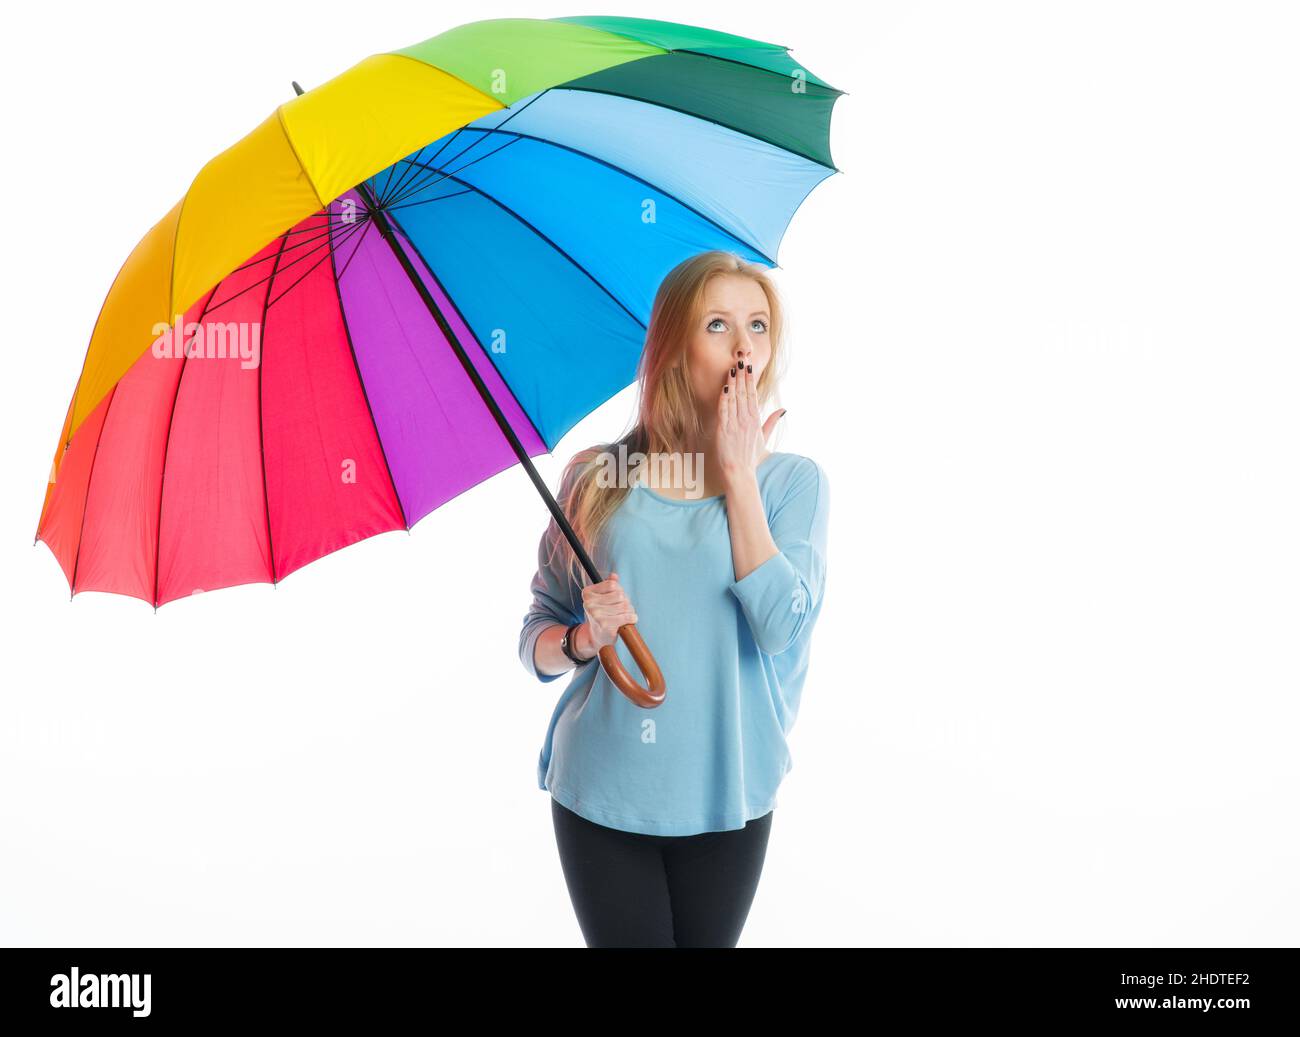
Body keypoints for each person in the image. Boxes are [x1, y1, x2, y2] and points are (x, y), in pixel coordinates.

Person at [517, 250, 831, 947]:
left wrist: (739, 478)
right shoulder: (597, 478)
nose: (744, 345)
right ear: (672, 348)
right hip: (602, 792)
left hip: (729, 796)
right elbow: (537, 635)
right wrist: (581, 639)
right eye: (718, 324)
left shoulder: (792, 485)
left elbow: (781, 625)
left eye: (758, 324)